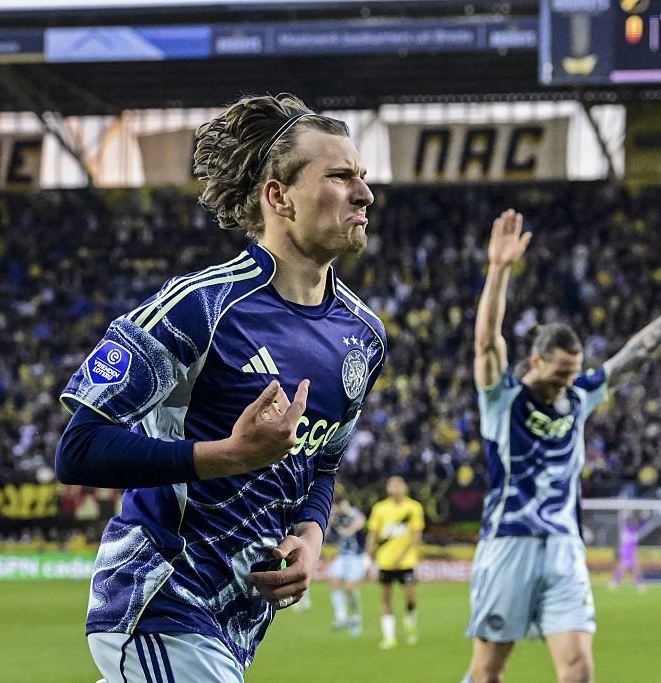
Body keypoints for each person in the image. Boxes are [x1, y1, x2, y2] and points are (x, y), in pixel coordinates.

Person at [54, 93, 387, 682]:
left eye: (361, 176)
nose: (364, 193)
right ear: (278, 196)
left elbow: (324, 462)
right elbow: (78, 449)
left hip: (235, 624)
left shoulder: (364, 336)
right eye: (339, 176)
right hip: (160, 597)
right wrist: (228, 455)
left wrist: (311, 536)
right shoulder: (199, 307)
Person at [464, 209, 661, 683]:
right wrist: (498, 270)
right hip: (509, 541)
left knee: (578, 668)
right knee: (488, 671)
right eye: (560, 373)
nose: (567, 382)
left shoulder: (578, 395)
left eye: (573, 373)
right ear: (536, 360)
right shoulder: (502, 398)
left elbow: (637, 353)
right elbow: (487, 343)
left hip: (564, 546)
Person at [365, 475, 425, 650]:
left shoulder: (413, 507)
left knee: (410, 596)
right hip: (385, 561)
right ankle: (389, 637)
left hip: (406, 561)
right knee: (386, 598)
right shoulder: (380, 508)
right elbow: (373, 533)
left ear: (405, 487)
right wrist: (369, 554)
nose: (395, 489)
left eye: (398, 485)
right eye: (392, 486)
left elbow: (416, 536)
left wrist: (402, 557)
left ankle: (410, 618)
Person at [325, 495, 368, 636]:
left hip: (356, 555)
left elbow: (360, 522)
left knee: (350, 587)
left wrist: (347, 529)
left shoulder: (354, 514)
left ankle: (356, 617)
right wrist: (330, 519)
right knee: (334, 582)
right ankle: (341, 617)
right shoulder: (335, 516)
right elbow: (326, 531)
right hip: (342, 554)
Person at [609, 512, 645, 591]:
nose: (635, 523)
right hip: (626, 552)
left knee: (636, 568)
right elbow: (626, 544)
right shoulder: (626, 531)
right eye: (634, 522)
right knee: (622, 567)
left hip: (631, 552)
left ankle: (639, 583)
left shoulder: (634, 531)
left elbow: (641, 523)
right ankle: (615, 581)